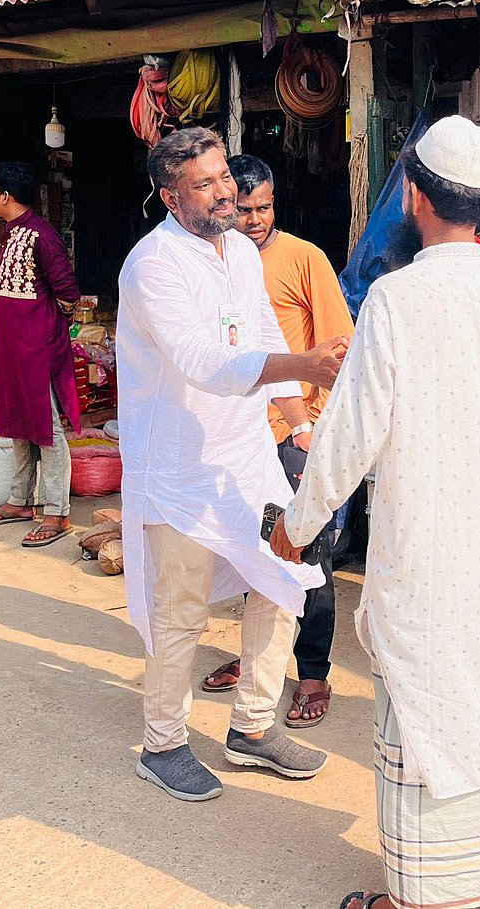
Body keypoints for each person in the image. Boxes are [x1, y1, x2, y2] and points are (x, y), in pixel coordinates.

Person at [268, 115, 480, 909]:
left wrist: (298, 522)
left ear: (415, 197)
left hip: (426, 540)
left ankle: (419, 894)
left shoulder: (395, 297)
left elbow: (350, 434)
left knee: (421, 710)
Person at [117, 127, 345, 801]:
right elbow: (203, 363)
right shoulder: (153, 265)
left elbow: (264, 335)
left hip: (249, 461)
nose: (225, 193)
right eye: (206, 184)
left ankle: (251, 728)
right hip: (179, 471)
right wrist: (302, 365)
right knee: (180, 611)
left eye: (224, 177)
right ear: (170, 197)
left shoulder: (241, 252)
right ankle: (162, 744)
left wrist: (299, 423)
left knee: (284, 577)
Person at [197, 154, 355, 729]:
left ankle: (312, 673)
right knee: (252, 553)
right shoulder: (217, 264)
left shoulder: (304, 258)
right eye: (245, 210)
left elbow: (340, 345)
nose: (256, 219)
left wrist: (310, 426)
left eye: (265, 207)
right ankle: (258, 660)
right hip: (238, 435)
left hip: (293, 433)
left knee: (308, 555)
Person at [0, 162, 81, 547]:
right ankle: (20, 501)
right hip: (13, 350)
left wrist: (48, 328)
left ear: (6, 196)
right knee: (20, 424)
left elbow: (67, 292)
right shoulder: (11, 232)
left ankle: (57, 512)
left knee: (46, 428)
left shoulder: (42, 235)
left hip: (38, 350)